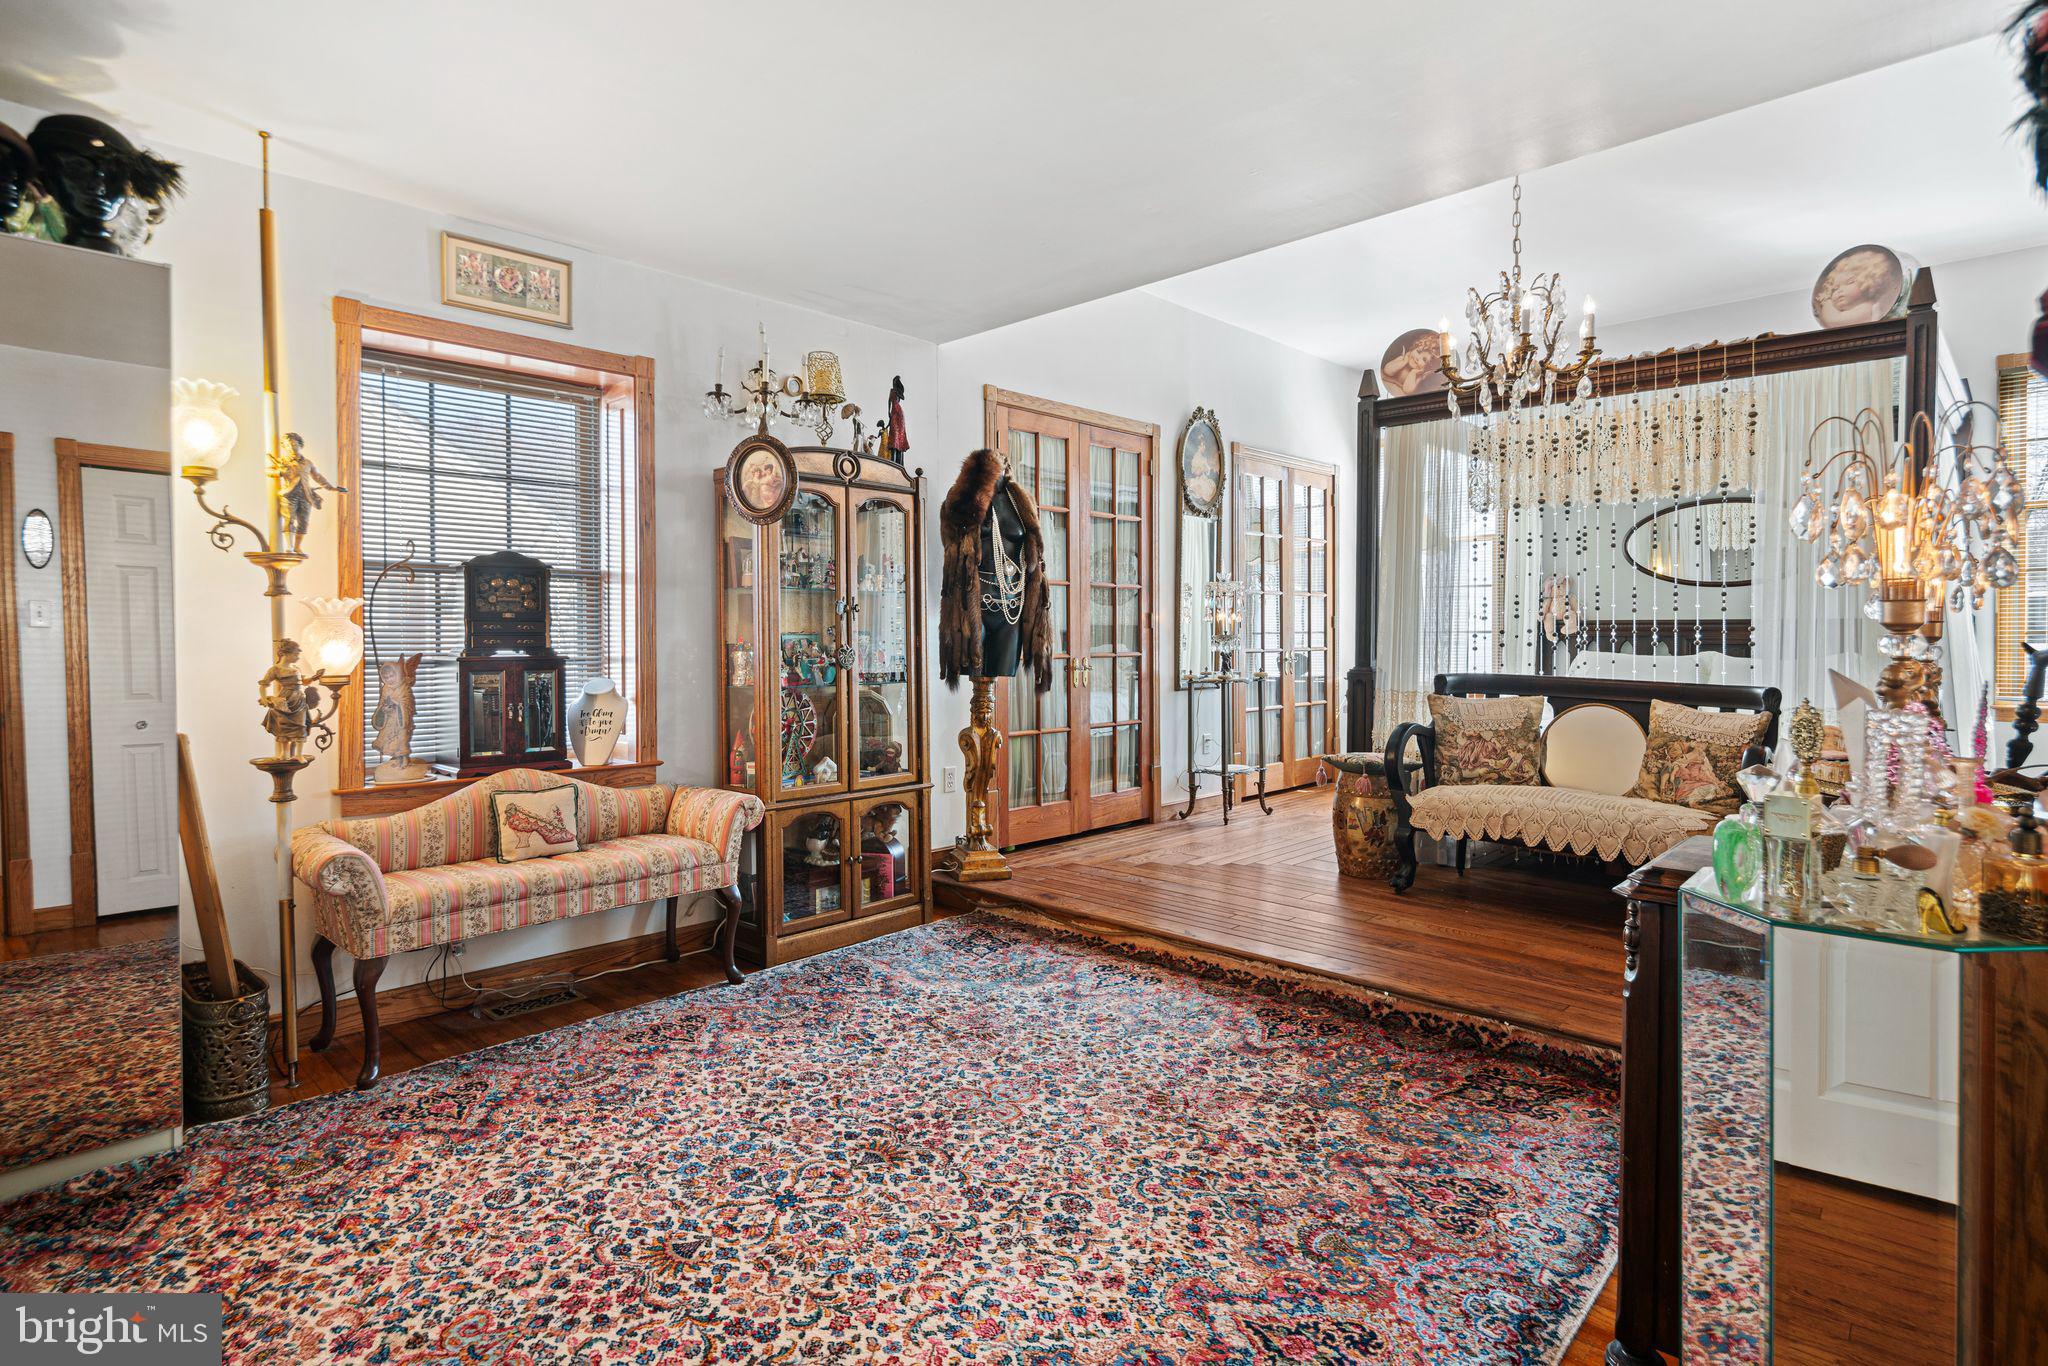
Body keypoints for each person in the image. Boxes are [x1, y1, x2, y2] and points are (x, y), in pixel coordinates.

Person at [1813, 248, 1902, 328]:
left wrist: (1826, 302)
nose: (1839, 290)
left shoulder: (1866, 307)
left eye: (1849, 282)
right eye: (1835, 289)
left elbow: (1833, 321)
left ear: (1869, 281)